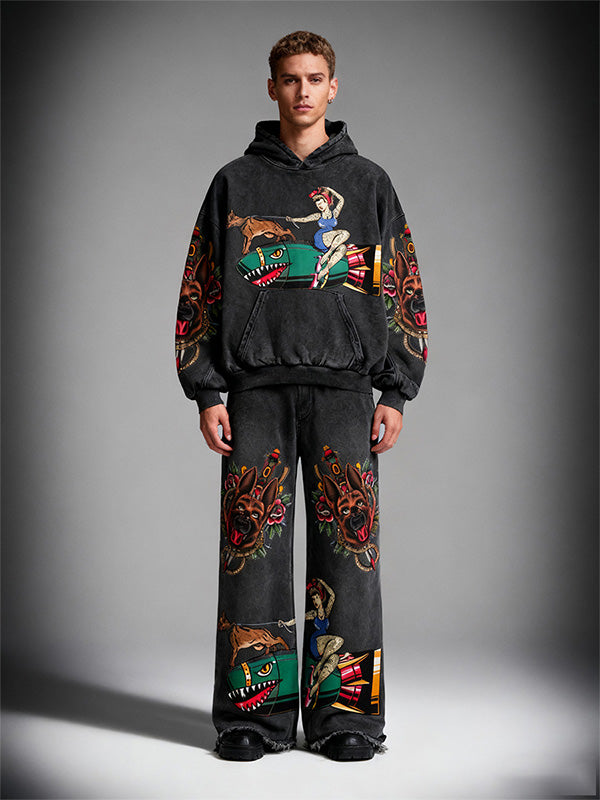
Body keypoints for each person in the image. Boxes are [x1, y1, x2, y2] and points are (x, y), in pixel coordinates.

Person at [175, 30, 428, 762]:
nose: (303, 91)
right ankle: (253, 717)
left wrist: (396, 390)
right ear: (272, 88)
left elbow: (400, 283)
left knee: (351, 553)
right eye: (290, 79)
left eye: (315, 78)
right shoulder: (234, 183)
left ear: (333, 87)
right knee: (251, 550)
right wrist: (206, 389)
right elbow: (202, 285)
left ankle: (347, 718)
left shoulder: (369, 184)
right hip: (255, 391)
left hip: (347, 392)